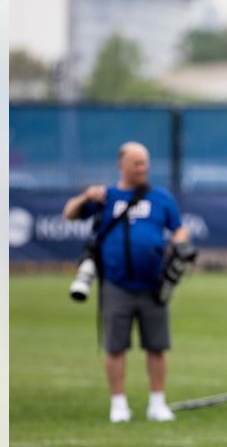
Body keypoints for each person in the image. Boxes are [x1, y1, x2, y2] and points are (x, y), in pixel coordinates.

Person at [62, 142, 191, 423]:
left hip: (154, 284)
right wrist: (85, 197)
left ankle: (157, 402)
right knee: (115, 346)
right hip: (116, 284)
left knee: (157, 345)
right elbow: (70, 213)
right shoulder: (105, 197)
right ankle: (118, 404)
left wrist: (179, 246)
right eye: (136, 163)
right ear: (121, 165)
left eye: (145, 162)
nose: (142, 168)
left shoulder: (160, 197)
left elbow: (179, 228)